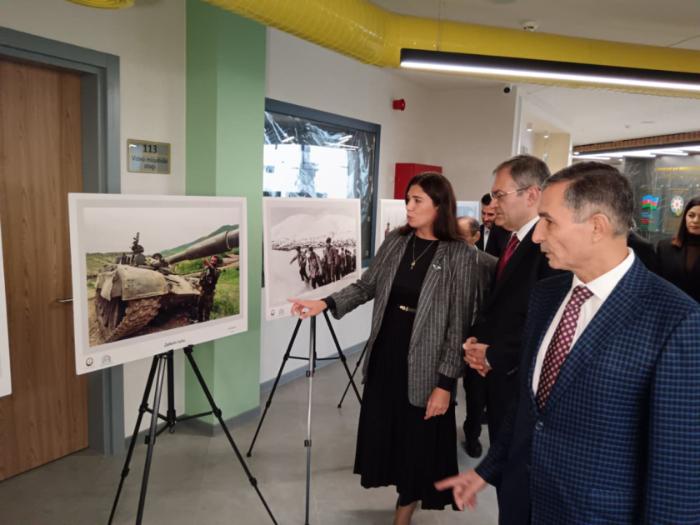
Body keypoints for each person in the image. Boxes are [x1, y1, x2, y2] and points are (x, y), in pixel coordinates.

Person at [437, 162, 700, 524]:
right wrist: (488, 469)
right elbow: (527, 404)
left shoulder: (676, 320)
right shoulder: (546, 295)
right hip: (521, 503)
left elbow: (677, 475)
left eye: (549, 221)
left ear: (597, 226)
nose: (537, 236)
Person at [289, 173, 487, 524]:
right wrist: (326, 302)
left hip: (427, 363)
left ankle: (404, 508)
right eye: (408, 199)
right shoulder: (397, 241)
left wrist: (445, 384)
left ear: (439, 206)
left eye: (417, 200)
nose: (408, 206)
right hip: (386, 354)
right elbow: (367, 286)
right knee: (391, 435)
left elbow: (458, 324)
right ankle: (402, 494)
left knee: (417, 442)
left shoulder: (459, 254)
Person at [464, 155, 561, 454]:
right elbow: (501, 305)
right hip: (499, 376)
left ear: (531, 195)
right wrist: (477, 340)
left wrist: (495, 355)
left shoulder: (548, 248)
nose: (493, 205)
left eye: (499, 195)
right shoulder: (513, 239)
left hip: (520, 380)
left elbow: (547, 323)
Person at [657, 196, 700, 303]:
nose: (695, 220)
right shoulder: (664, 247)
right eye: (691, 215)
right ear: (685, 217)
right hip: (669, 307)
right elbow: (656, 283)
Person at [476, 193, 510, 257]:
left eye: (490, 214)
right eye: (483, 213)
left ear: (499, 213)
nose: (485, 219)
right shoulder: (476, 232)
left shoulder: (508, 233)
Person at [197, 255, 221, 322]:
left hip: (209, 294)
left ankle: (206, 324)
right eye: (212, 260)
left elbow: (213, 271)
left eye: (214, 261)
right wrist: (200, 285)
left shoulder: (217, 271)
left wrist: (208, 264)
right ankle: (199, 321)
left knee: (207, 311)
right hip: (202, 292)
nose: (213, 262)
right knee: (199, 308)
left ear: (217, 262)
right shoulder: (206, 269)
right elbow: (202, 277)